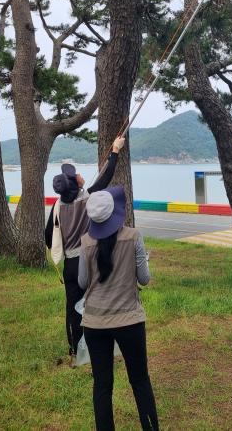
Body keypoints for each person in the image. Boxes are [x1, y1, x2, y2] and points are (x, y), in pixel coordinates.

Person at [78, 185, 159, 431]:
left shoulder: (86, 242)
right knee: (140, 380)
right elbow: (144, 279)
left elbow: (82, 282)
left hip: (94, 322)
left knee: (102, 386)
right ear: (116, 213)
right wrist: (141, 262)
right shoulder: (134, 236)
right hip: (129, 321)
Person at [45, 136, 125, 367]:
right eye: (75, 175)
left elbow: (48, 236)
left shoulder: (57, 206)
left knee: (72, 308)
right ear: (77, 184)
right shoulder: (88, 197)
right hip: (89, 259)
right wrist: (115, 150)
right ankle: (100, 346)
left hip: (70, 265)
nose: (79, 174)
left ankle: (74, 351)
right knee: (96, 301)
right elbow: (106, 177)